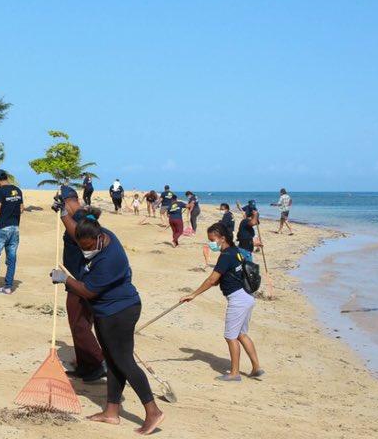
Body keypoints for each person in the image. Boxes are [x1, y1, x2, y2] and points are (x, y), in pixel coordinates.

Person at [51, 185, 164, 435]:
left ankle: (153, 410)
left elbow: (88, 292)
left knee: (124, 362)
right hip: (106, 311)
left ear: (97, 239)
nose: (86, 250)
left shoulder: (109, 259)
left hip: (120, 311)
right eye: (82, 246)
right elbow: (75, 232)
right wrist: (62, 214)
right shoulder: (98, 234)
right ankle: (111, 412)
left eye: (88, 246)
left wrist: (65, 279)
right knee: (112, 362)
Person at [180, 222, 264, 382]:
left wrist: (193, 294)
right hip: (247, 297)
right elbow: (223, 277)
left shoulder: (225, 256)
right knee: (241, 334)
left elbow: (212, 279)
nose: (211, 243)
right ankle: (256, 368)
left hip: (238, 300)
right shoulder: (235, 251)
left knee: (230, 336)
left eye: (212, 239)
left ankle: (234, 373)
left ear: (222, 238)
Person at [52, 189, 106, 383]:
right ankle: (86, 366)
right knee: (82, 323)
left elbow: (80, 238)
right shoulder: (82, 215)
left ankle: (99, 362)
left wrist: (64, 216)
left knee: (79, 324)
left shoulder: (81, 216)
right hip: (78, 277)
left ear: (67, 201)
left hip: (80, 280)